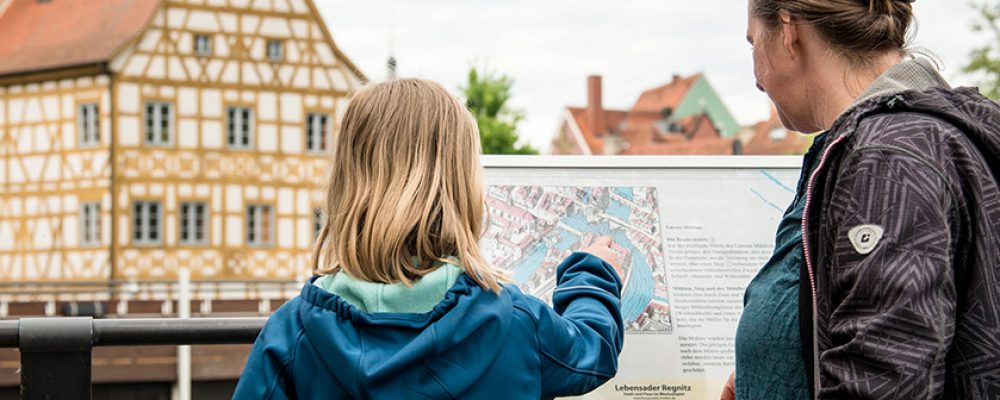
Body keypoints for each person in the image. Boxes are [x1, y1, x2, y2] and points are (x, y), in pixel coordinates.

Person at [232, 78, 625, 399]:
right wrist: (593, 271)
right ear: (461, 188)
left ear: (346, 185)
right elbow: (591, 353)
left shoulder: (292, 335)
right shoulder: (514, 322)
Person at [728, 0, 1000, 399]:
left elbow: (883, 382)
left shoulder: (888, 159)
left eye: (753, 42)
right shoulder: (910, 140)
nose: (756, 78)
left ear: (788, 29)